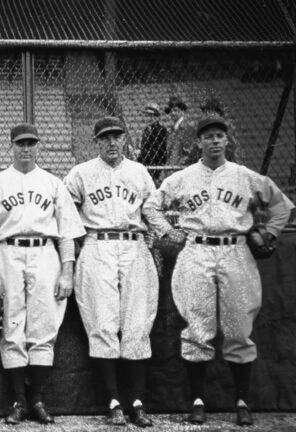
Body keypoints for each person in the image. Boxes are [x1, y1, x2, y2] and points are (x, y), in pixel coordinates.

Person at [143, 116, 295, 427]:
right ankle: (197, 400)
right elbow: (151, 206)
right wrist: (168, 232)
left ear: (227, 141)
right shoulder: (183, 177)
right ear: (198, 142)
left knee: (239, 328)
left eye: (219, 135)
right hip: (195, 250)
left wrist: (268, 234)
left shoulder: (245, 177)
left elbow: (283, 206)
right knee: (197, 327)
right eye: (208, 136)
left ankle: (242, 400)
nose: (214, 141)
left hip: (236, 249)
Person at [0, 123, 85, 426]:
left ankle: (38, 399)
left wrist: (68, 271)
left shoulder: (53, 183)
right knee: (11, 325)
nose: (26, 148)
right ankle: (19, 400)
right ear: (12, 146)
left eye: (31, 143)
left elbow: (67, 233)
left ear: (39, 146)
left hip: (45, 252)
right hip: (7, 252)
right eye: (21, 143)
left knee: (45, 325)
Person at [63, 117, 158, 427]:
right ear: (96, 142)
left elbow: (152, 212)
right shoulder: (81, 173)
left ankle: (138, 402)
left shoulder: (139, 172)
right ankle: (114, 401)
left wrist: (154, 247)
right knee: (102, 323)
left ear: (125, 139)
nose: (112, 142)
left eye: (116, 136)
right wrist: (76, 249)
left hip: (134, 245)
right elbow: (65, 214)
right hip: (98, 243)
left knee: (137, 323)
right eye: (105, 137)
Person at [137, 103, 168, 182]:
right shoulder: (146, 130)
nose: (149, 118)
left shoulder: (161, 130)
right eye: (147, 116)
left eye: (152, 116)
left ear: (157, 117)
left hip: (156, 166)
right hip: (146, 165)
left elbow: (160, 151)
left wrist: (142, 154)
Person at [165, 96, 195, 167]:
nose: (172, 113)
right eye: (171, 111)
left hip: (181, 169)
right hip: (171, 167)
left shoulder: (187, 127)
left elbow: (189, 153)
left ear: (182, 111)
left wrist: (178, 166)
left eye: (175, 110)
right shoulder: (172, 129)